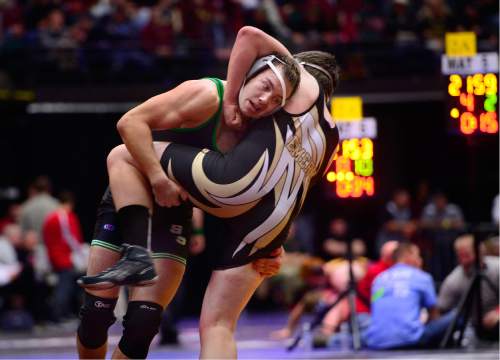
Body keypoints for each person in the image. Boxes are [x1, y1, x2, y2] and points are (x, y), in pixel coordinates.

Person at [83, 26, 340, 359]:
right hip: (143, 189)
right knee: (102, 315)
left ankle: (136, 255)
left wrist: (274, 248)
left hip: (200, 194)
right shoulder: (214, 94)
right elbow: (131, 124)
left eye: (279, 98)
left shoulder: (282, 97)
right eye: (266, 88)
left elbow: (257, 45)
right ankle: (134, 249)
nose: (268, 101)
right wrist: (274, 240)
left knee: (143, 323)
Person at [363, 243, 456, 349]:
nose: (421, 260)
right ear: (409, 256)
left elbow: (376, 306)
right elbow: (433, 315)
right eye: (418, 255)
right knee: (457, 315)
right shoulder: (421, 277)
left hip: (376, 341)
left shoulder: (378, 279)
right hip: (410, 340)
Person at [438, 234, 499, 341]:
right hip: (475, 326)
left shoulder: (497, 267)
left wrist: (498, 312)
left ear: (480, 253)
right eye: (460, 256)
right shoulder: (453, 280)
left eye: (467, 255)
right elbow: (441, 310)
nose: (464, 261)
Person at [42, 191, 85, 322]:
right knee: (64, 288)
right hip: (63, 257)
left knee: (65, 286)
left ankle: (63, 314)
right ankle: (58, 316)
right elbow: (70, 237)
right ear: (69, 203)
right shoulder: (62, 216)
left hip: (55, 256)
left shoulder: (50, 217)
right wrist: (80, 253)